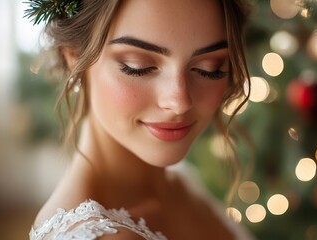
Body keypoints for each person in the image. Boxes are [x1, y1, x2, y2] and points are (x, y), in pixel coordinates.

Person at [25, 0, 254, 239]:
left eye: (210, 68)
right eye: (138, 67)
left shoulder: (182, 180)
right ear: (74, 57)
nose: (179, 102)